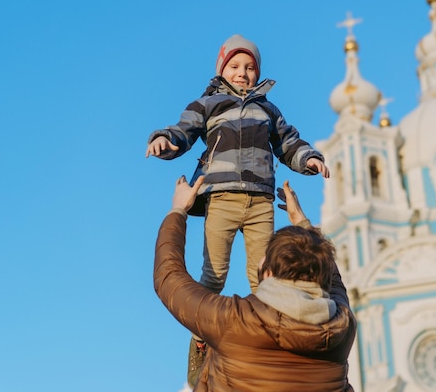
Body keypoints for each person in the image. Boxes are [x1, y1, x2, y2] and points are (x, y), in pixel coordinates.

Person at [145, 34, 330, 384]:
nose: (242, 73)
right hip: (222, 198)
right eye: (235, 66)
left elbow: (290, 143)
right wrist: (164, 142)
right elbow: (182, 131)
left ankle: (267, 344)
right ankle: (201, 340)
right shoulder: (208, 104)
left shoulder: (268, 110)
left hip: (261, 201)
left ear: (257, 73)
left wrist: (311, 159)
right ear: (222, 69)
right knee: (213, 273)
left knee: (263, 279)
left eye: (249, 67)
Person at [154, 176, 356, 391]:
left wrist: (178, 209)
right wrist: (302, 223)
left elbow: (168, 277)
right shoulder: (341, 326)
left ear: (268, 271)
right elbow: (333, 279)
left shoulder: (234, 319)